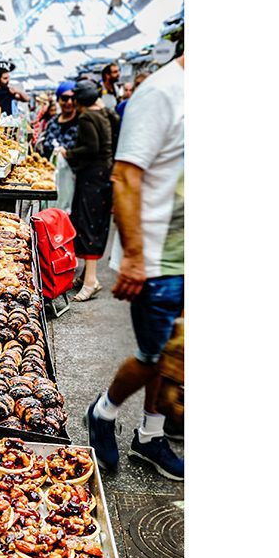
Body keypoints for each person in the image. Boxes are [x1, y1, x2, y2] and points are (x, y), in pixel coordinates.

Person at [84, 49, 185, 481]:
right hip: (160, 256)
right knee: (153, 356)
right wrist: (134, 258)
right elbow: (125, 176)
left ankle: (152, 433)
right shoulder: (161, 92)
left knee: (177, 355)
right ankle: (103, 412)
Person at [63, 80, 117, 302]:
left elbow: (90, 147)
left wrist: (69, 153)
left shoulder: (86, 117)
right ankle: (87, 274)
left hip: (92, 177)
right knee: (97, 222)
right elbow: (117, 128)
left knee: (87, 223)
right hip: (106, 173)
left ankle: (91, 281)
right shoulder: (106, 112)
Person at [38, 81, 80, 158]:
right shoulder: (52, 122)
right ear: (58, 100)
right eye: (65, 98)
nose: (69, 102)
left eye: (73, 98)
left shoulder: (81, 123)